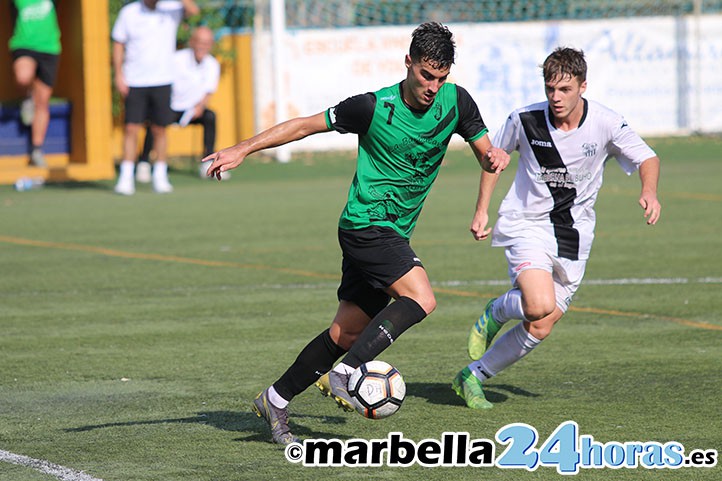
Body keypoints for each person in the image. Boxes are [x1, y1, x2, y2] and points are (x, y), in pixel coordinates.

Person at [203, 22, 509, 444]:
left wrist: (484, 197)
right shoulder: (371, 107)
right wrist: (242, 149)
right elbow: (305, 125)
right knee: (421, 297)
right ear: (408, 63)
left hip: (394, 233)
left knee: (344, 333)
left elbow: (487, 155)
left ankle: (275, 399)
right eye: (426, 75)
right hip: (366, 227)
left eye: (441, 78)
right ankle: (347, 373)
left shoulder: (457, 103)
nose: (433, 86)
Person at [452, 47, 662, 409]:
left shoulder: (606, 122)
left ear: (583, 86)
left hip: (574, 237)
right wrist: (481, 211)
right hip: (527, 225)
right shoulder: (525, 119)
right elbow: (492, 161)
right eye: (550, 88)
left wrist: (649, 190)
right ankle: (497, 311)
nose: (555, 97)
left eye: (564, 89)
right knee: (538, 305)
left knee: (541, 325)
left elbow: (647, 157)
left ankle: (473, 376)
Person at [112, 0, 199, 195]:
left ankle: (160, 175)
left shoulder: (171, 10)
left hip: (163, 79)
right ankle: (126, 176)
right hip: (135, 79)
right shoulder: (129, 12)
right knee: (131, 128)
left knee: (160, 129)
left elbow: (193, 11)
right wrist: (118, 74)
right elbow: (118, 43)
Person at [136, 26, 221, 182]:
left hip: (192, 110)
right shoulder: (176, 59)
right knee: (155, 122)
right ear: (192, 42)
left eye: (207, 43)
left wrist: (199, 107)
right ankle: (144, 162)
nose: (203, 46)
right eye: (200, 42)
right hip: (169, 106)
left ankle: (208, 162)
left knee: (210, 117)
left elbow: (208, 92)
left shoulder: (213, 64)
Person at [9, 0, 61, 168]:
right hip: (24, 44)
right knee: (23, 77)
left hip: (49, 48)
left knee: (42, 102)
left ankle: (36, 149)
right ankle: (28, 96)